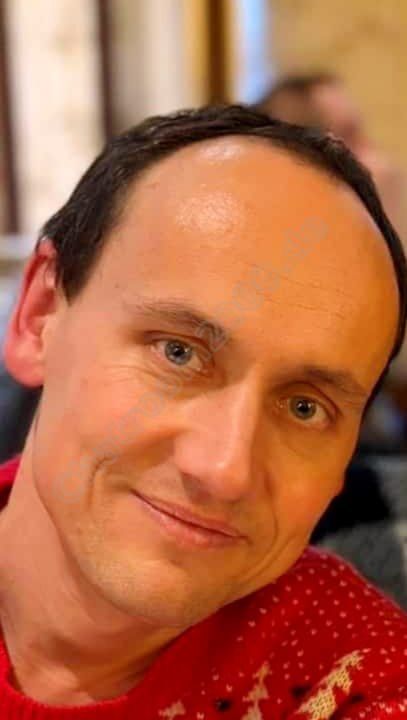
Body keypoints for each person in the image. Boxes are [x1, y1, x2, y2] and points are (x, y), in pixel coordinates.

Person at [0, 105, 406, 719]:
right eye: (179, 352)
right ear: (39, 317)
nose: (223, 470)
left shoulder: (361, 681)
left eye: (305, 407)